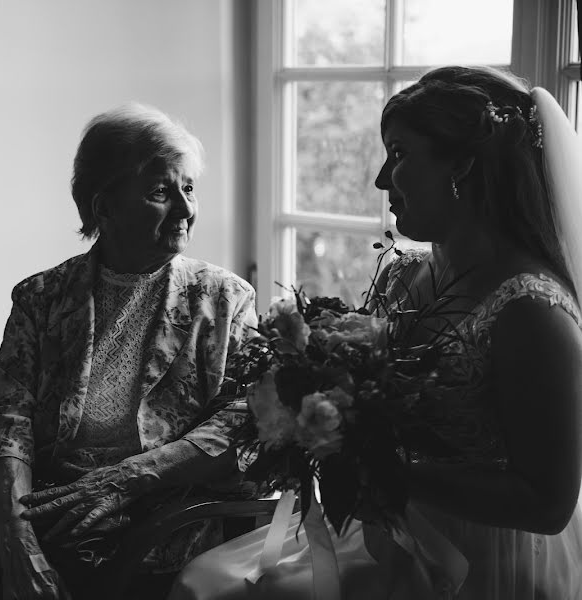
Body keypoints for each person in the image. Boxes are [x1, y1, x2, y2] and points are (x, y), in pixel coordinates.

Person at [171, 66, 582, 599]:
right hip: (383, 531)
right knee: (206, 583)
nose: (382, 180)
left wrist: (382, 473)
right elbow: (366, 392)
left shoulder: (531, 310)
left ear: (463, 165)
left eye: (400, 154)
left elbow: (547, 506)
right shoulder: (402, 271)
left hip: (479, 564)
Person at [0, 102, 258, 600]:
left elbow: (244, 420)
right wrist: (17, 542)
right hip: (41, 505)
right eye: (161, 192)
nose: (187, 209)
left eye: (188, 189)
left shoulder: (225, 299)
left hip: (154, 516)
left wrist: (128, 478)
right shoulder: (42, 297)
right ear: (104, 207)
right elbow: (7, 423)